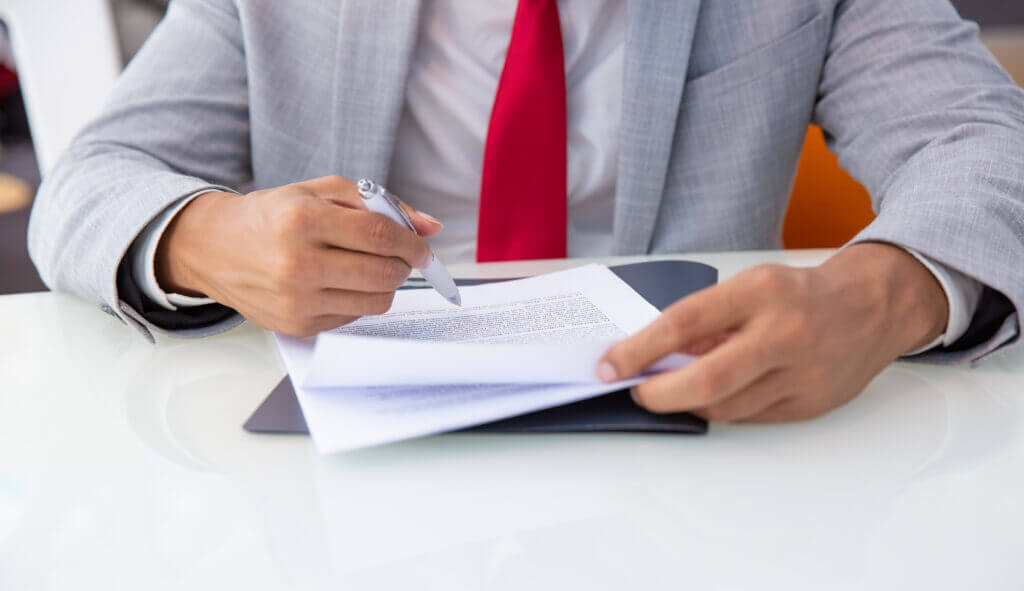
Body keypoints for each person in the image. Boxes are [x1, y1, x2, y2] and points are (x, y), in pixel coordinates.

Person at [28, 0, 1024, 423]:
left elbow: (983, 142)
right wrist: (208, 236)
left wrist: (886, 291)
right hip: (353, 435)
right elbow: (93, 178)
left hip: (700, 421)